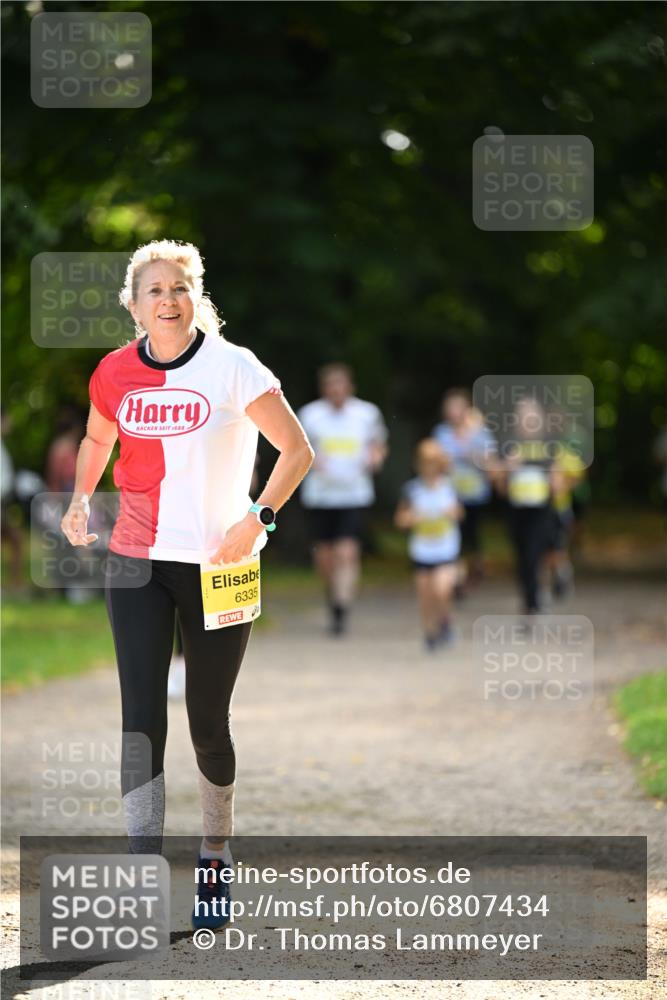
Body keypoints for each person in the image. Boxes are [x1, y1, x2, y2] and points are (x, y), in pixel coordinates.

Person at [59, 239, 313, 930]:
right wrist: (81, 497)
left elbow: (297, 450)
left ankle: (213, 852)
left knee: (207, 720)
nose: (167, 300)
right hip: (135, 559)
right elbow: (95, 439)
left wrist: (257, 517)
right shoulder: (114, 371)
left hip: (220, 564)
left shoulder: (234, 368)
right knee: (140, 718)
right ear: (133, 305)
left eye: (179, 287)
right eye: (154, 290)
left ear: (195, 295)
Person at [297, 363, 388, 636]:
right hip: (321, 496)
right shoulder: (310, 415)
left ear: (350, 387)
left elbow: (379, 443)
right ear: (324, 389)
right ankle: (333, 596)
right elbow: (296, 449)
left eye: (341, 385)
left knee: (347, 552)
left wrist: (376, 456)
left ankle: (342, 609)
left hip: (354, 493)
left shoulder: (367, 413)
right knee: (325, 557)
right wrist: (310, 460)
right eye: (330, 386)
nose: (336, 391)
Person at [495, 396, 582, 617]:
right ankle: (530, 597)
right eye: (522, 417)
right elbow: (499, 486)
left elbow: (562, 482)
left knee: (536, 554)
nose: (526, 421)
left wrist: (555, 480)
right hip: (516, 511)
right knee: (522, 557)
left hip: (541, 511)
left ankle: (534, 601)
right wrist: (506, 469)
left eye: (531, 417)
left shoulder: (550, 448)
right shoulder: (509, 447)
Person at [394, 439, 463, 651]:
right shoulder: (412, 490)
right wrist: (412, 518)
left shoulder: (449, 487)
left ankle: (445, 619)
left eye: (433, 462)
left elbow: (460, 513)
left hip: (445, 548)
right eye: (425, 462)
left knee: (441, 589)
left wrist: (451, 513)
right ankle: (430, 632)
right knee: (425, 594)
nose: (429, 467)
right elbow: (400, 520)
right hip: (422, 550)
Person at [432, 389, 495, 595]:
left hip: (474, 494)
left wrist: (471, 451)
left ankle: (475, 565)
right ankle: (457, 578)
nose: (454, 412)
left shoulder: (480, 433)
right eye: (450, 407)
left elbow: (490, 462)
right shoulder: (441, 433)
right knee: (454, 535)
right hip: (450, 495)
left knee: (471, 535)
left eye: (458, 407)